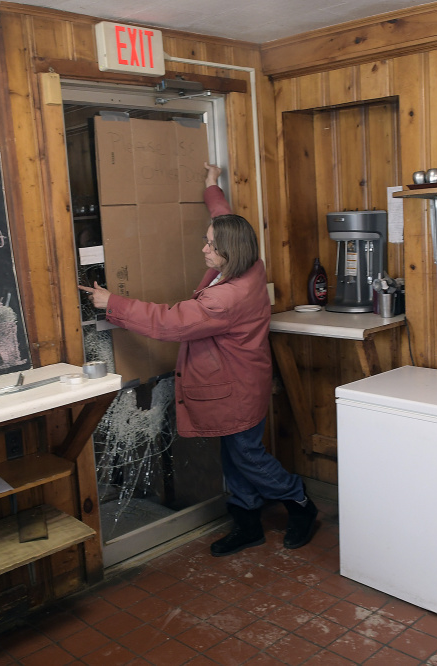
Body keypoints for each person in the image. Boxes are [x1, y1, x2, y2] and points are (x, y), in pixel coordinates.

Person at [79, 163, 318, 556]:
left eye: (210, 245)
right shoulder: (249, 264)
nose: (204, 248)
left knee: (248, 456)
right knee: (235, 455)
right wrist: (212, 185)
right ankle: (248, 525)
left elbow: (169, 322)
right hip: (239, 382)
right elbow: (223, 217)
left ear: (229, 252)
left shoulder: (225, 298)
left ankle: (300, 503)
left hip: (236, 389)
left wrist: (111, 303)